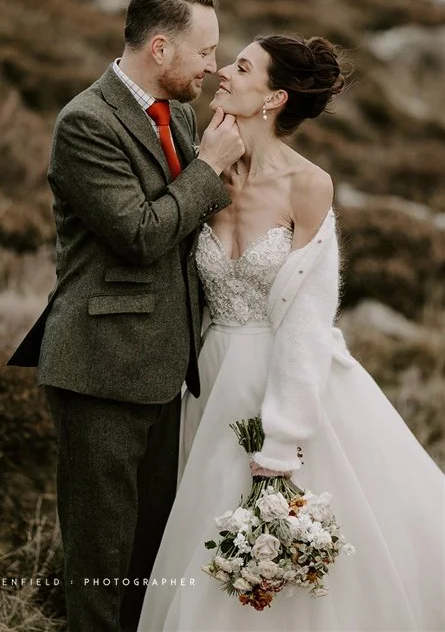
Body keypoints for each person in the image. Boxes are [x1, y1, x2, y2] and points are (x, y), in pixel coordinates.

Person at [139, 34, 445, 631]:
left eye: (242, 67)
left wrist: (281, 440)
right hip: (209, 380)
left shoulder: (309, 185)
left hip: (282, 382)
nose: (223, 71)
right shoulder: (204, 165)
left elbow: (308, 317)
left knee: (281, 539)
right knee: (209, 529)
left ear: (274, 97)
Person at [6, 0, 245, 632]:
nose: (213, 65)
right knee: (101, 563)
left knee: (148, 554)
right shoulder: (85, 121)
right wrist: (208, 168)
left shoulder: (184, 114)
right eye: (205, 51)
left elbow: (192, 220)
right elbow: (139, 233)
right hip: (100, 368)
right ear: (161, 49)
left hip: (164, 370)